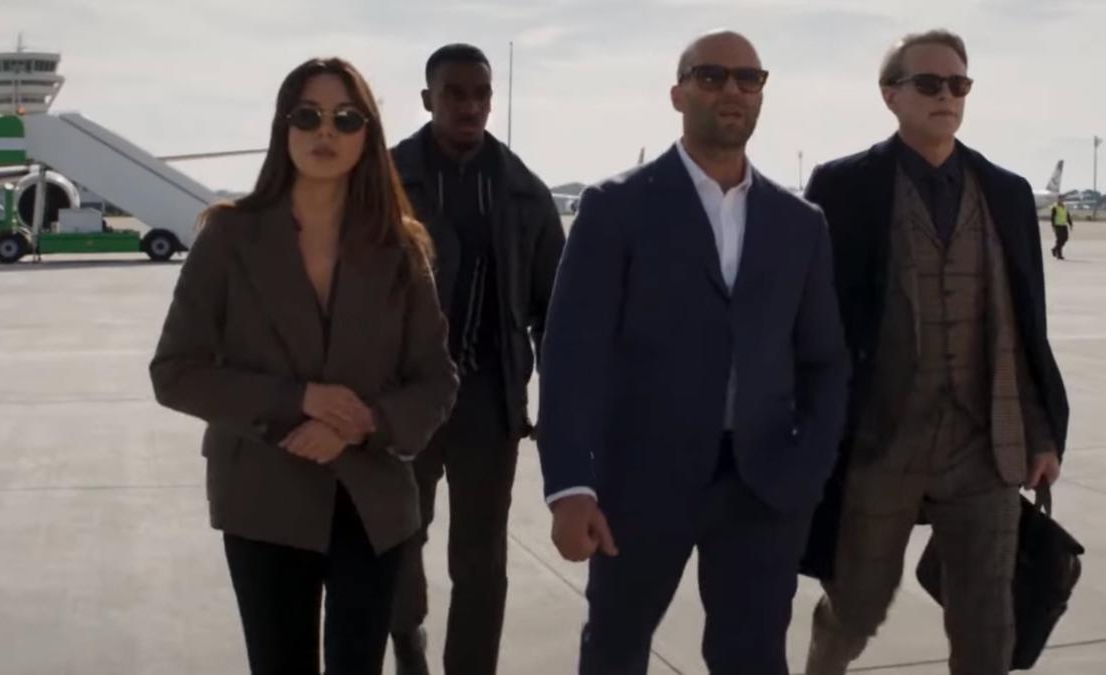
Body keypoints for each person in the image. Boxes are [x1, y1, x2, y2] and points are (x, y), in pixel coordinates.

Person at [537, 31, 849, 675]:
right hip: (639, 482)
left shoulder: (801, 223)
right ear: (678, 94)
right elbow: (571, 356)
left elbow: (825, 360)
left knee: (753, 658)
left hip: (763, 487)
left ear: (761, 94)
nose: (732, 89)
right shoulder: (615, 208)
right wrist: (570, 486)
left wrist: (808, 468)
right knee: (616, 649)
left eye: (748, 78)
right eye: (711, 76)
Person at [149, 57, 457, 675]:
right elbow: (176, 371)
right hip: (263, 497)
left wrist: (364, 422)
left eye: (346, 118)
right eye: (308, 116)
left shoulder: (400, 248)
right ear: (282, 127)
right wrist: (300, 400)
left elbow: (435, 380)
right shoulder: (228, 238)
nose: (326, 132)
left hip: (372, 501)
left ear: (367, 134)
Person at [801, 30, 1070, 675]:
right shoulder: (844, 187)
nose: (946, 95)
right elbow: (811, 321)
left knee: (987, 623)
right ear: (890, 95)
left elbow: (1025, 327)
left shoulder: (1005, 192)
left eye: (958, 84)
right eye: (928, 83)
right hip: (880, 445)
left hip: (985, 445)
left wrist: (1041, 432)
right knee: (856, 607)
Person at [387, 43, 565, 675]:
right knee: (399, 538)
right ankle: (406, 638)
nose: (469, 106)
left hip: (489, 402)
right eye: (455, 93)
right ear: (427, 99)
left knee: (482, 557)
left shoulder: (522, 192)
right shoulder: (384, 181)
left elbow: (554, 309)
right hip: (403, 401)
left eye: (481, 94)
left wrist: (558, 404)